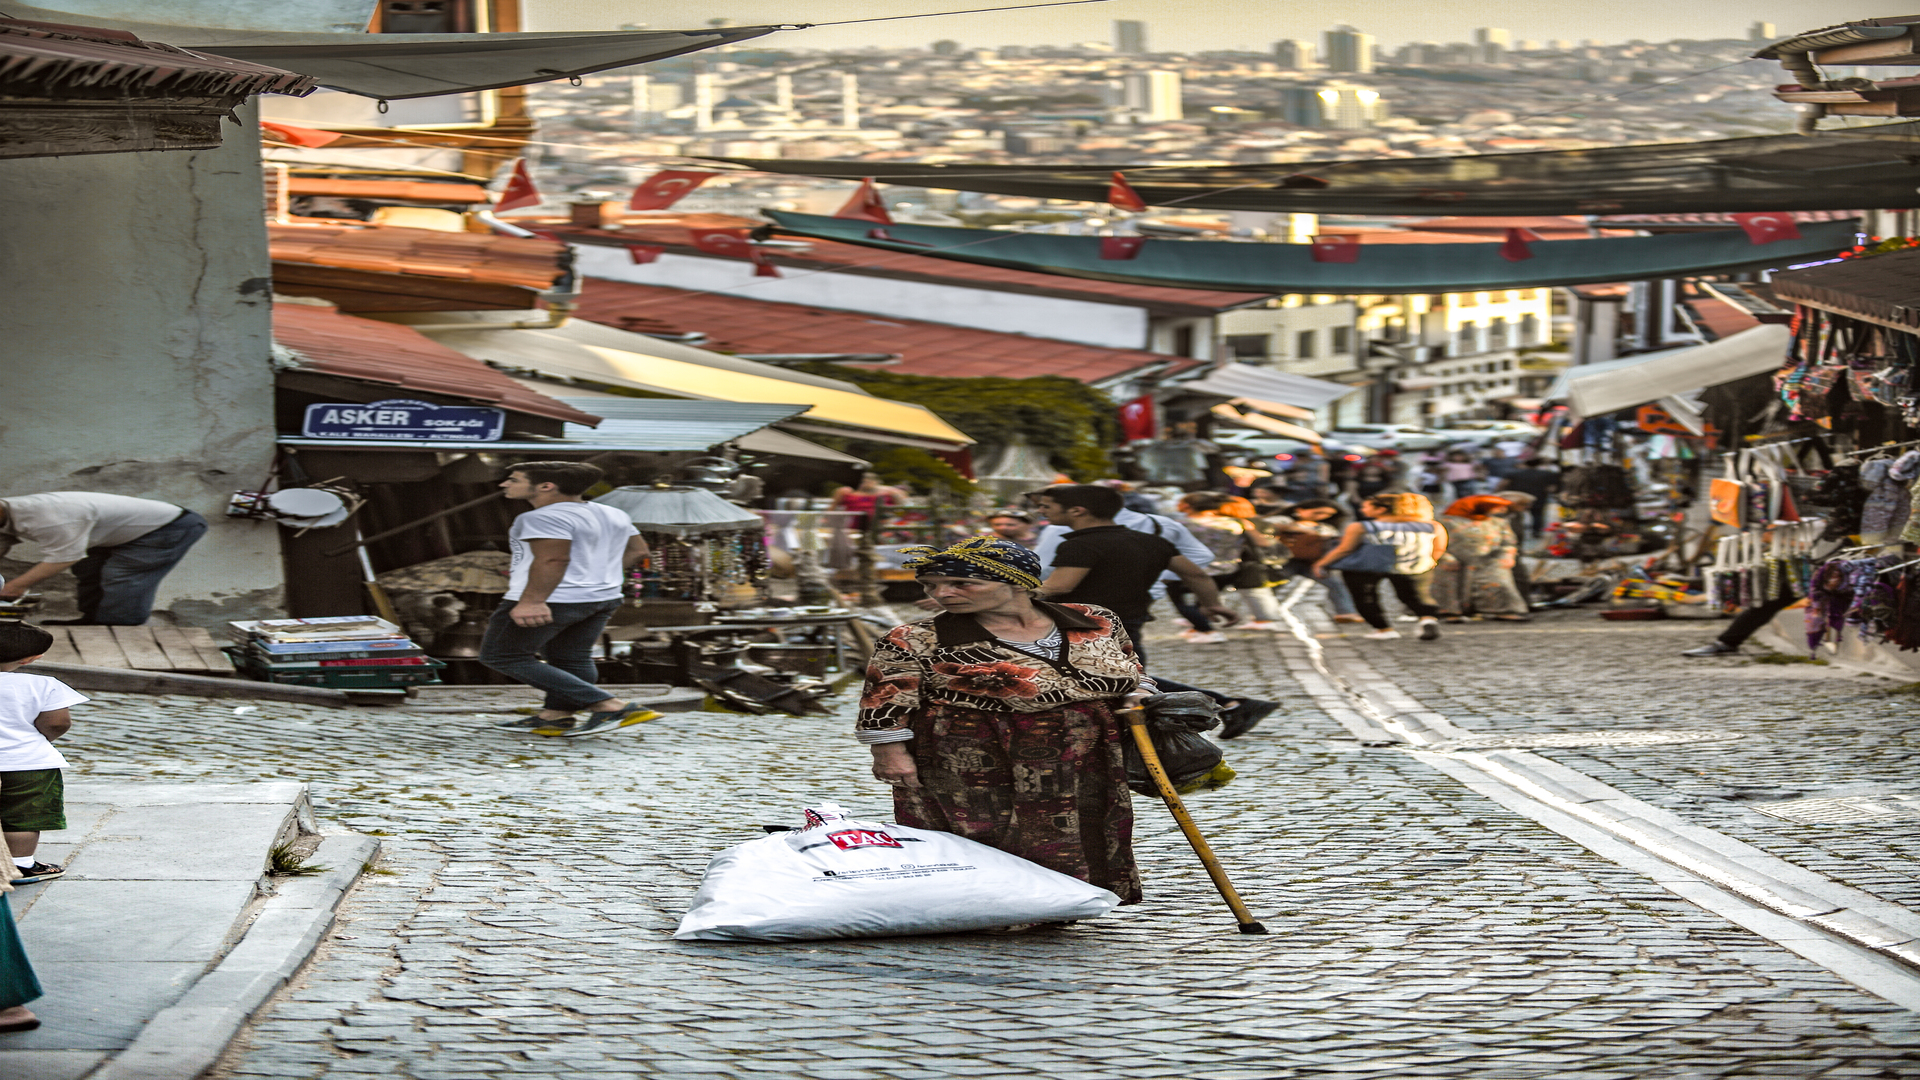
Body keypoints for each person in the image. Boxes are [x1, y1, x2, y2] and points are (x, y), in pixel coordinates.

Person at [857, 537, 1148, 903]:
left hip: (1085, 753)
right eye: (930, 585)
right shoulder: (914, 638)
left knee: (1081, 824)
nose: (942, 594)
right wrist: (889, 754)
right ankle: (989, 907)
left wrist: (1140, 693)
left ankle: (1065, 901)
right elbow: (883, 699)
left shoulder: (1095, 619)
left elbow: (1130, 666)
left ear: (1017, 582)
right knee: (982, 830)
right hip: (970, 756)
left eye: (962, 583)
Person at [1030, 484, 1277, 739]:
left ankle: (1226, 706)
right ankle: (1229, 706)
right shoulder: (1152, 542)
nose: (1041, 511)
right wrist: (1212, 604)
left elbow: (1060, 585)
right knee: (1120, 680)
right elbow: (1196, 574)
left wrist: (1016, 592)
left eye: (1047, 506)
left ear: (1077, 511)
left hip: (1087, 626)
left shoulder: (1081, 545)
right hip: (1128, 621)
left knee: (1119, 682)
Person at [481, 462, 659, 738]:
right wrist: (597, 574)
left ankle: (609, 705)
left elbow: (554, 559)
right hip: (602, 596)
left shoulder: (541, 517)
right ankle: (555, 717)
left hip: (554, 598)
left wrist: (532, 601)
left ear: (546, 486)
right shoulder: (612, 513)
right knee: (570, 658)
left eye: (514, 479)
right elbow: (639, 551)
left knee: (502, 655)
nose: (504, 484)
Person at [0, 492, 208, 626]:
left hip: (169, 527)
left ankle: (121, 629)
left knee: (121, 575)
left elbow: (63, 558)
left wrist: (15, 586)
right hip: (119, 532)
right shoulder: (7, 510)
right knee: (88, 568)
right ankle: (92, 621)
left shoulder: (49, 519)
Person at [0, 624, 83, 886]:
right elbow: (58, 723)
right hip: (28, 764)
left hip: (26, 762)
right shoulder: (44, 685)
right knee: (23, 816)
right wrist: (39, 739)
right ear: (30, 659)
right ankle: (20, 865)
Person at [1314, 493, 1448, 641]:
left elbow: (1345, 549)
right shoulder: (1432, 526)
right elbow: (1439, 548)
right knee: (1416, 596)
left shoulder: (1361, 526)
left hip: (1364, 567)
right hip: (1413, 566)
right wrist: (1431, 561)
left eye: (1366, 506)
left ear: (1381, 509)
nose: (1362, 509)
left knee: (1366, 598)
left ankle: (1383, 629)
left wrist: (1322, 563)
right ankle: (1428, 619)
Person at [1432, 496, 1530, 623]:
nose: (1503, 510)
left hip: (1489, 560)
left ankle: (1504, 610)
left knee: (1499, 580)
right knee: (1449, 579)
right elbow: (1433, 541)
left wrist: (1508, 555)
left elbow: (1508, 542)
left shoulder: (1499, 522)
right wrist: (1445, 557)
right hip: (1455, 559)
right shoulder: (1447, 522)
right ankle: (1450, 611)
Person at [1270, 499, 1364, 624]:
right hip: (1285, 561)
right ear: (1300, 510)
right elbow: (1265, 525)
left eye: (1328, 514)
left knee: (1335, 584)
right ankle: (1265, 614)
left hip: (1313, 561)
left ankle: (1346, 612)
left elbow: (1331, 541)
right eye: (1317, 512)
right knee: (1271, 585)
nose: (1322, 516)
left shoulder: (1326, 527)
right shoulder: (1283, 520)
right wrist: (1297, 529)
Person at [1496, 459, 1561, 535]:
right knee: (1537, 515)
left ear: (1525, 464)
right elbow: (1552, 488)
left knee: (1515, 515)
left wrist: (1498, 493)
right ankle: (1536, 532)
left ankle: (1515, 531)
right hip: (1538, 497)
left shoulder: (1515, 473)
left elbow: (1503, 484)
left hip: (1517, 498)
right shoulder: (1546, 474)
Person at [830, 472, 904, 530]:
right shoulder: (845, 491)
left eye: (869, 481)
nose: (866, 483)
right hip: (853, 523)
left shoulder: (890, 491)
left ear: (876, 482)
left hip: (882, 522)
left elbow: (902, 506)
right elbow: (832, 508)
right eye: (863, 481)